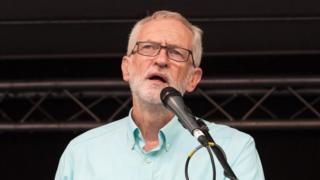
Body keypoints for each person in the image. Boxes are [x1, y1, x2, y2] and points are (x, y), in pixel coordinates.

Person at [55, 10, 265, 180]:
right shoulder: (81, 153)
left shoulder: (233, 149)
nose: (161, 59)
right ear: (126, 68)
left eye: (176, 52)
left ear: (193, 78)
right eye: (148, 47)